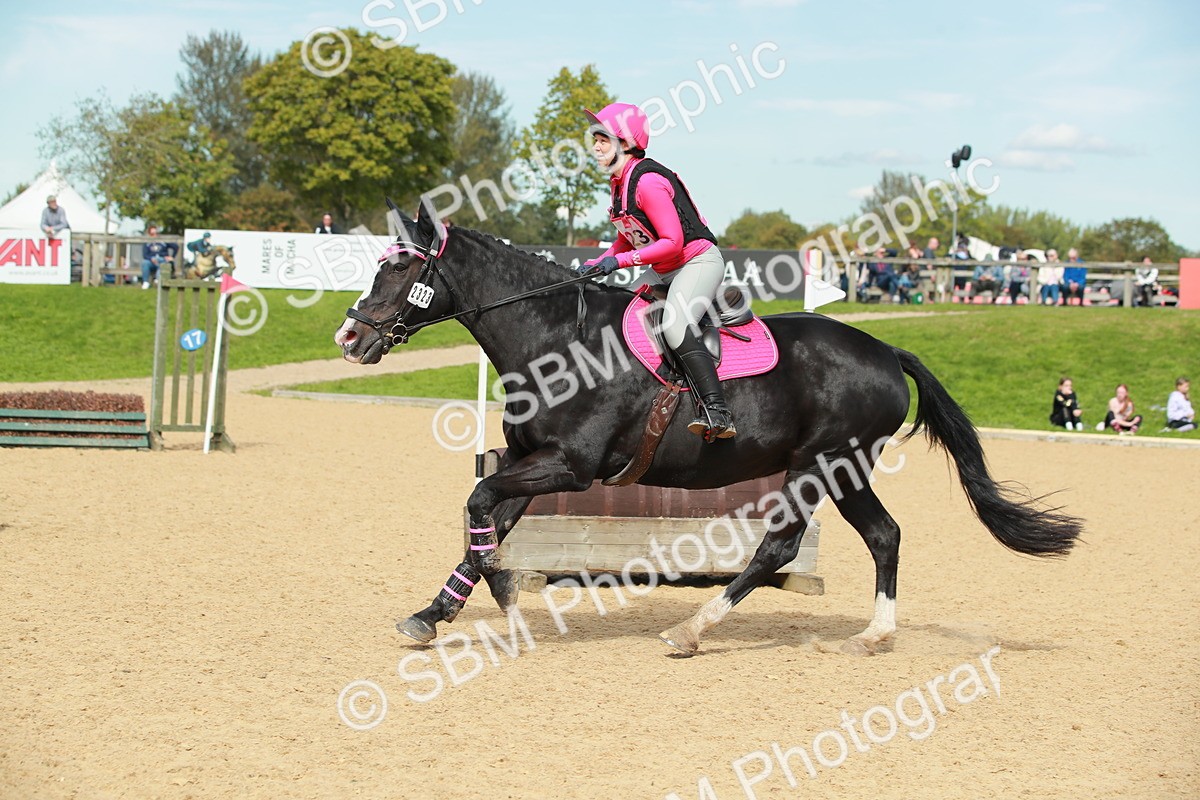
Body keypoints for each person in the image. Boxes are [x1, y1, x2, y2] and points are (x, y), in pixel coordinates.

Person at [578, 102, 733, 440]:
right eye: (596, 138)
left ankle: (717, 410)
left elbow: (673, 242)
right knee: (623, 317)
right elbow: (627, 237)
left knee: (675, 323)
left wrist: (617, 263)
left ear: (627, 143)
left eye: (604, 138)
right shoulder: (619, 184)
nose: (596, 146)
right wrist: (596, 263)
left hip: (696, 262)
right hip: (664, 270)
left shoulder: (647, 182)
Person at [139, 225, 173, 289]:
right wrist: (151, 258)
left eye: (156, 233)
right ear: (149, 234)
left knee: (163, 262)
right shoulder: (147, 243)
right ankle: (146, 282)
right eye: (152, 234)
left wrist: (171, 256)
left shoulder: (163, 242)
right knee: (145, 263)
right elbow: (145, 255)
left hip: (162, 259)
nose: (154, 235)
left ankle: (158, 281)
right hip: (151, 261)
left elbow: (176, 246)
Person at [924, 236, 949, 303]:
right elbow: (929, 264)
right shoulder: (928, 251)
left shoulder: (929, 251)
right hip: (927, 276)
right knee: (929, 291)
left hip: (928, 275)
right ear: (931, 243)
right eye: (936, 243)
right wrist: (932, 275)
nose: (937, 245)